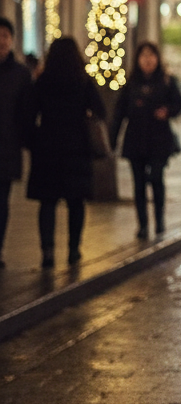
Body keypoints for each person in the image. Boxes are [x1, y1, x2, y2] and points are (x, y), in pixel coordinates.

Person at [22, 37, 104, 268]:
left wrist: (33, 142)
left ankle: (48, 251)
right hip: (77, 149)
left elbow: (28, 116)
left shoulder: (43, 82)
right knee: (75, 203)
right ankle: (73, 249)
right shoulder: (83, 82)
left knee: (47, 203)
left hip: (47, 149)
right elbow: (100, 110)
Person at [111, 41, 181, 238]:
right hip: (136, 139)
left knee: (157, 178)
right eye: (143, 56)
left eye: (151, 55)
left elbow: (179, 104)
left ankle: (159, 220)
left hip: (159, 139)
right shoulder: (131, 83)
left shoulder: (167, 81)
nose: (148, 60)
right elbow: (120, 112)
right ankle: (143, 224)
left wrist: (167, 111)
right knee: (139, 183)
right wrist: (112, 138)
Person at [0, 17, 32, 267]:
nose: (1, 40)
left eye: (5, 35)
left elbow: (27, 114)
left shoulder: (21, 74)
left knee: (2, 202)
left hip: (7, 148)